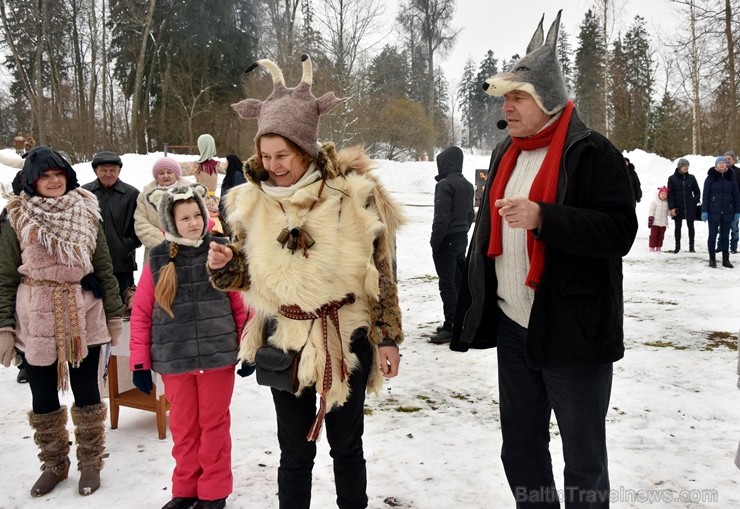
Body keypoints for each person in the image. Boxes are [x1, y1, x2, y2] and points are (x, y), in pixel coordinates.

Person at [450, 11, 637, 509]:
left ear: (548, 101)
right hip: (515, 326)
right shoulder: (504, 152)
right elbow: (487, 233)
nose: (506, 107)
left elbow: (620, 232)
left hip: (573, 329)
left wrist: (544, 217)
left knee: (583, 459)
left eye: (517, 97)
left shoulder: (595, 153)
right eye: (505, 98)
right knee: (521, 449)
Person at [209, 54, 404, 509]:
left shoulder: (351, 197)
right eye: (266, 155)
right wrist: (223, 265)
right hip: (285, 341)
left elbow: (382, 273)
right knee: (295, 452)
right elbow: (242, 272)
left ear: (306, 150)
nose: (274, 165)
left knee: (347, 448)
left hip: (345, 337)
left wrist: (389, 337)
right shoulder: (249, 202)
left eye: (284, 155)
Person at [0, 146, 124, 497]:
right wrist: (3, 327)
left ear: (67, 176)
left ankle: (90, 461)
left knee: (87, 393)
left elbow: (104, 267)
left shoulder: (87, 211)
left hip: (85, 313)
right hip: (35, 316)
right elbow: (5, 274)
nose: (53, 181)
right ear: (31, 180)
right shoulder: (17, 217)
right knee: (43, 396)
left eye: (58, 174)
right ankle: (54, 463)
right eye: (45, 176)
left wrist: (114, 315)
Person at [129, 183, 248, 509]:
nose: (194, 222)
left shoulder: (221, 250)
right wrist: (139, 363)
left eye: (198, 214)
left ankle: (214, 491)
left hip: (217, 356)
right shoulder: (157, 258)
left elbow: (241, 304)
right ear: (171, 221)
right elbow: (142, 313)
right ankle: (185, 489)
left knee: (214, 425)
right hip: (175, 357)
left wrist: (249, 347)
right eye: (185, 218)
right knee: (183, 428)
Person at [428, 145, 475, 344]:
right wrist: (462, 232)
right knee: (457, 282)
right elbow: (470, 215)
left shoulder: (445, 185)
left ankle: (451, 326)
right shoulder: (467, 185)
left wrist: (435, 242)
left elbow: (441, 218)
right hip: (460, 239)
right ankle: (460, 322)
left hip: (446, 241)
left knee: (447, 284)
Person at [82, 151, 141, 300]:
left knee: (123, 304)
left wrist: (127, 244)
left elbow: (140, 225)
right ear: (96, 170)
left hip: (122, 262)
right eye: (104, 170)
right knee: (94, 304)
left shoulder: (132, 194)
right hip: (91, 261)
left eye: (112, 170)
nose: (108, 174)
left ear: (119, 170)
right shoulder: (85, 193)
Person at [134, 157, 192, 261]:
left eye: (169, 172)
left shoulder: (190, 192)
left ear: (176, 174)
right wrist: (164, 242)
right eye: (161, 173)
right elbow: (140, 223)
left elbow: (198, 218)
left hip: (186, 251)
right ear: (156, 176)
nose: (166, 176)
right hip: (156, 251)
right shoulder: (145, 196)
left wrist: (182, 241)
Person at [701, 156, 740, 268]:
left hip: (728, 211)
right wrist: (705, 211)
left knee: (725, 236)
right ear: (716, 165)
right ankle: (712, 258)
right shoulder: (710, 178)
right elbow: (706, 196)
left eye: (723, 162)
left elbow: (736, 195)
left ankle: (725, 259)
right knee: (712, 235)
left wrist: (737, 211)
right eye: (720, 163)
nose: (722, 164)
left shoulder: (731, 178)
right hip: (713, 211)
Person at [667, 158, 701, 253]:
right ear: (679, 167)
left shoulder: (692, 178)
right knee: (678, 227)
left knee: (691, 226)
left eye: (687, 166)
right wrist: (672, 207)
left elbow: (697, 191)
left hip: (690, 207)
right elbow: (670, 195)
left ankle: (692, 246)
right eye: (684, 166)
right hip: (678, 207)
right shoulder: (672, 179)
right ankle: (677, 246)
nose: (686, 168)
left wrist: (694, 200)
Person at [218, 154, 247, 239]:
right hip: (228, 211)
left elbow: (239, 194)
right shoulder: (230, 175)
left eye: (227, 162)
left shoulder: (237, 176)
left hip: (234, 212)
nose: (225, 165)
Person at [719, 151, 740, 254]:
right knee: (721, 226)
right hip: (722, 205)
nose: (727, 160)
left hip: (735, 204)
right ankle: (720, 246)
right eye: (725, 158)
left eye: (729, 158)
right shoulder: (720, 171)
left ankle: (733, 246)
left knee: (734, 227)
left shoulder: (738, 172)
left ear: (733, 160)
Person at [647, 186, 671, 252]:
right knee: (653, 236)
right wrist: (650, 219)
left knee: (661, 237)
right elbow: (651, 211)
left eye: (665, 194)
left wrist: (673, 213)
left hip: (663, 223)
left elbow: (668, 213)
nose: (663, 196)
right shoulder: (655, 202)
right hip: (655, 223)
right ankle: (652, 248)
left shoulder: (667, 203)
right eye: (662, 194)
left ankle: (658, 247)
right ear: (659, 194)